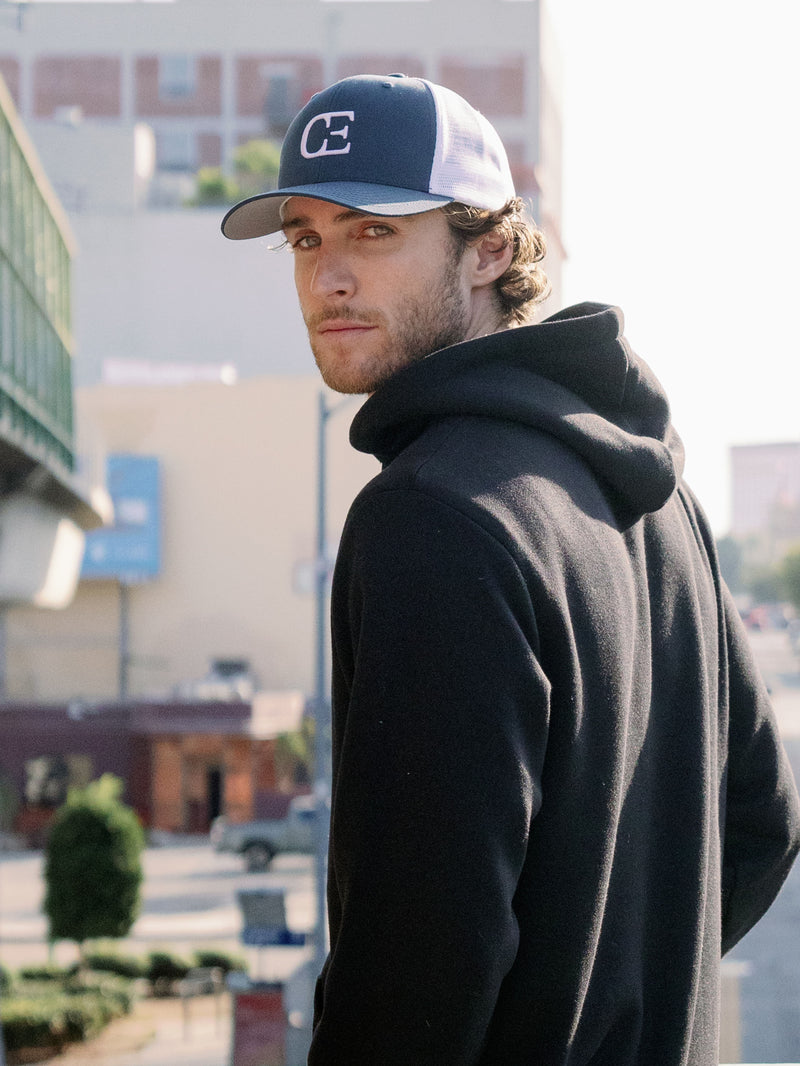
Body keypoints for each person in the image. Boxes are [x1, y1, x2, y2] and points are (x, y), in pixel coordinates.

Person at [222, 74, 800, 1065]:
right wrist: (621, 992)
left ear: (489, 248)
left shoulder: (429, 515)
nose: (328, 279)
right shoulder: (662, 501)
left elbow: (417, 959)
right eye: (306, 240)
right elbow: (761, 818)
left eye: (372, 233)